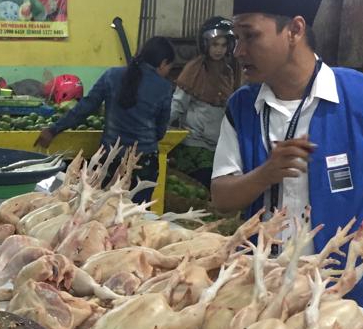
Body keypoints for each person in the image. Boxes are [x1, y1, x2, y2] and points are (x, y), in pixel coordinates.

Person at [210, 0, 363, 322]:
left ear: (295, 31)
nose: (238, 51)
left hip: (359, 301)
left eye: (250, 36)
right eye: (235, 38)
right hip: (268, 297)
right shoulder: (242, 108)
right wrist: (265, 174)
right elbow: (221, 197)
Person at [35, 36, 175, 203]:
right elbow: (160, 132)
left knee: (102, 209)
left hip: (110, 159)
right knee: (135, 215)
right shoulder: (164, 87)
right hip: (143, 163)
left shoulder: (111, 75)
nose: (167, 72)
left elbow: (85, 107)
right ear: (163, 63)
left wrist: (53, 129)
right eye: (169, 68)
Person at [170, 17, 241, 187]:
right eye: (215, 44)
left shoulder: (228, 72)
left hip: (217, 146)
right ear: (205, 44)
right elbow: (178, 104)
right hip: (193, 143)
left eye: (223, 45)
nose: (219, 50)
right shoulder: (194, 69)